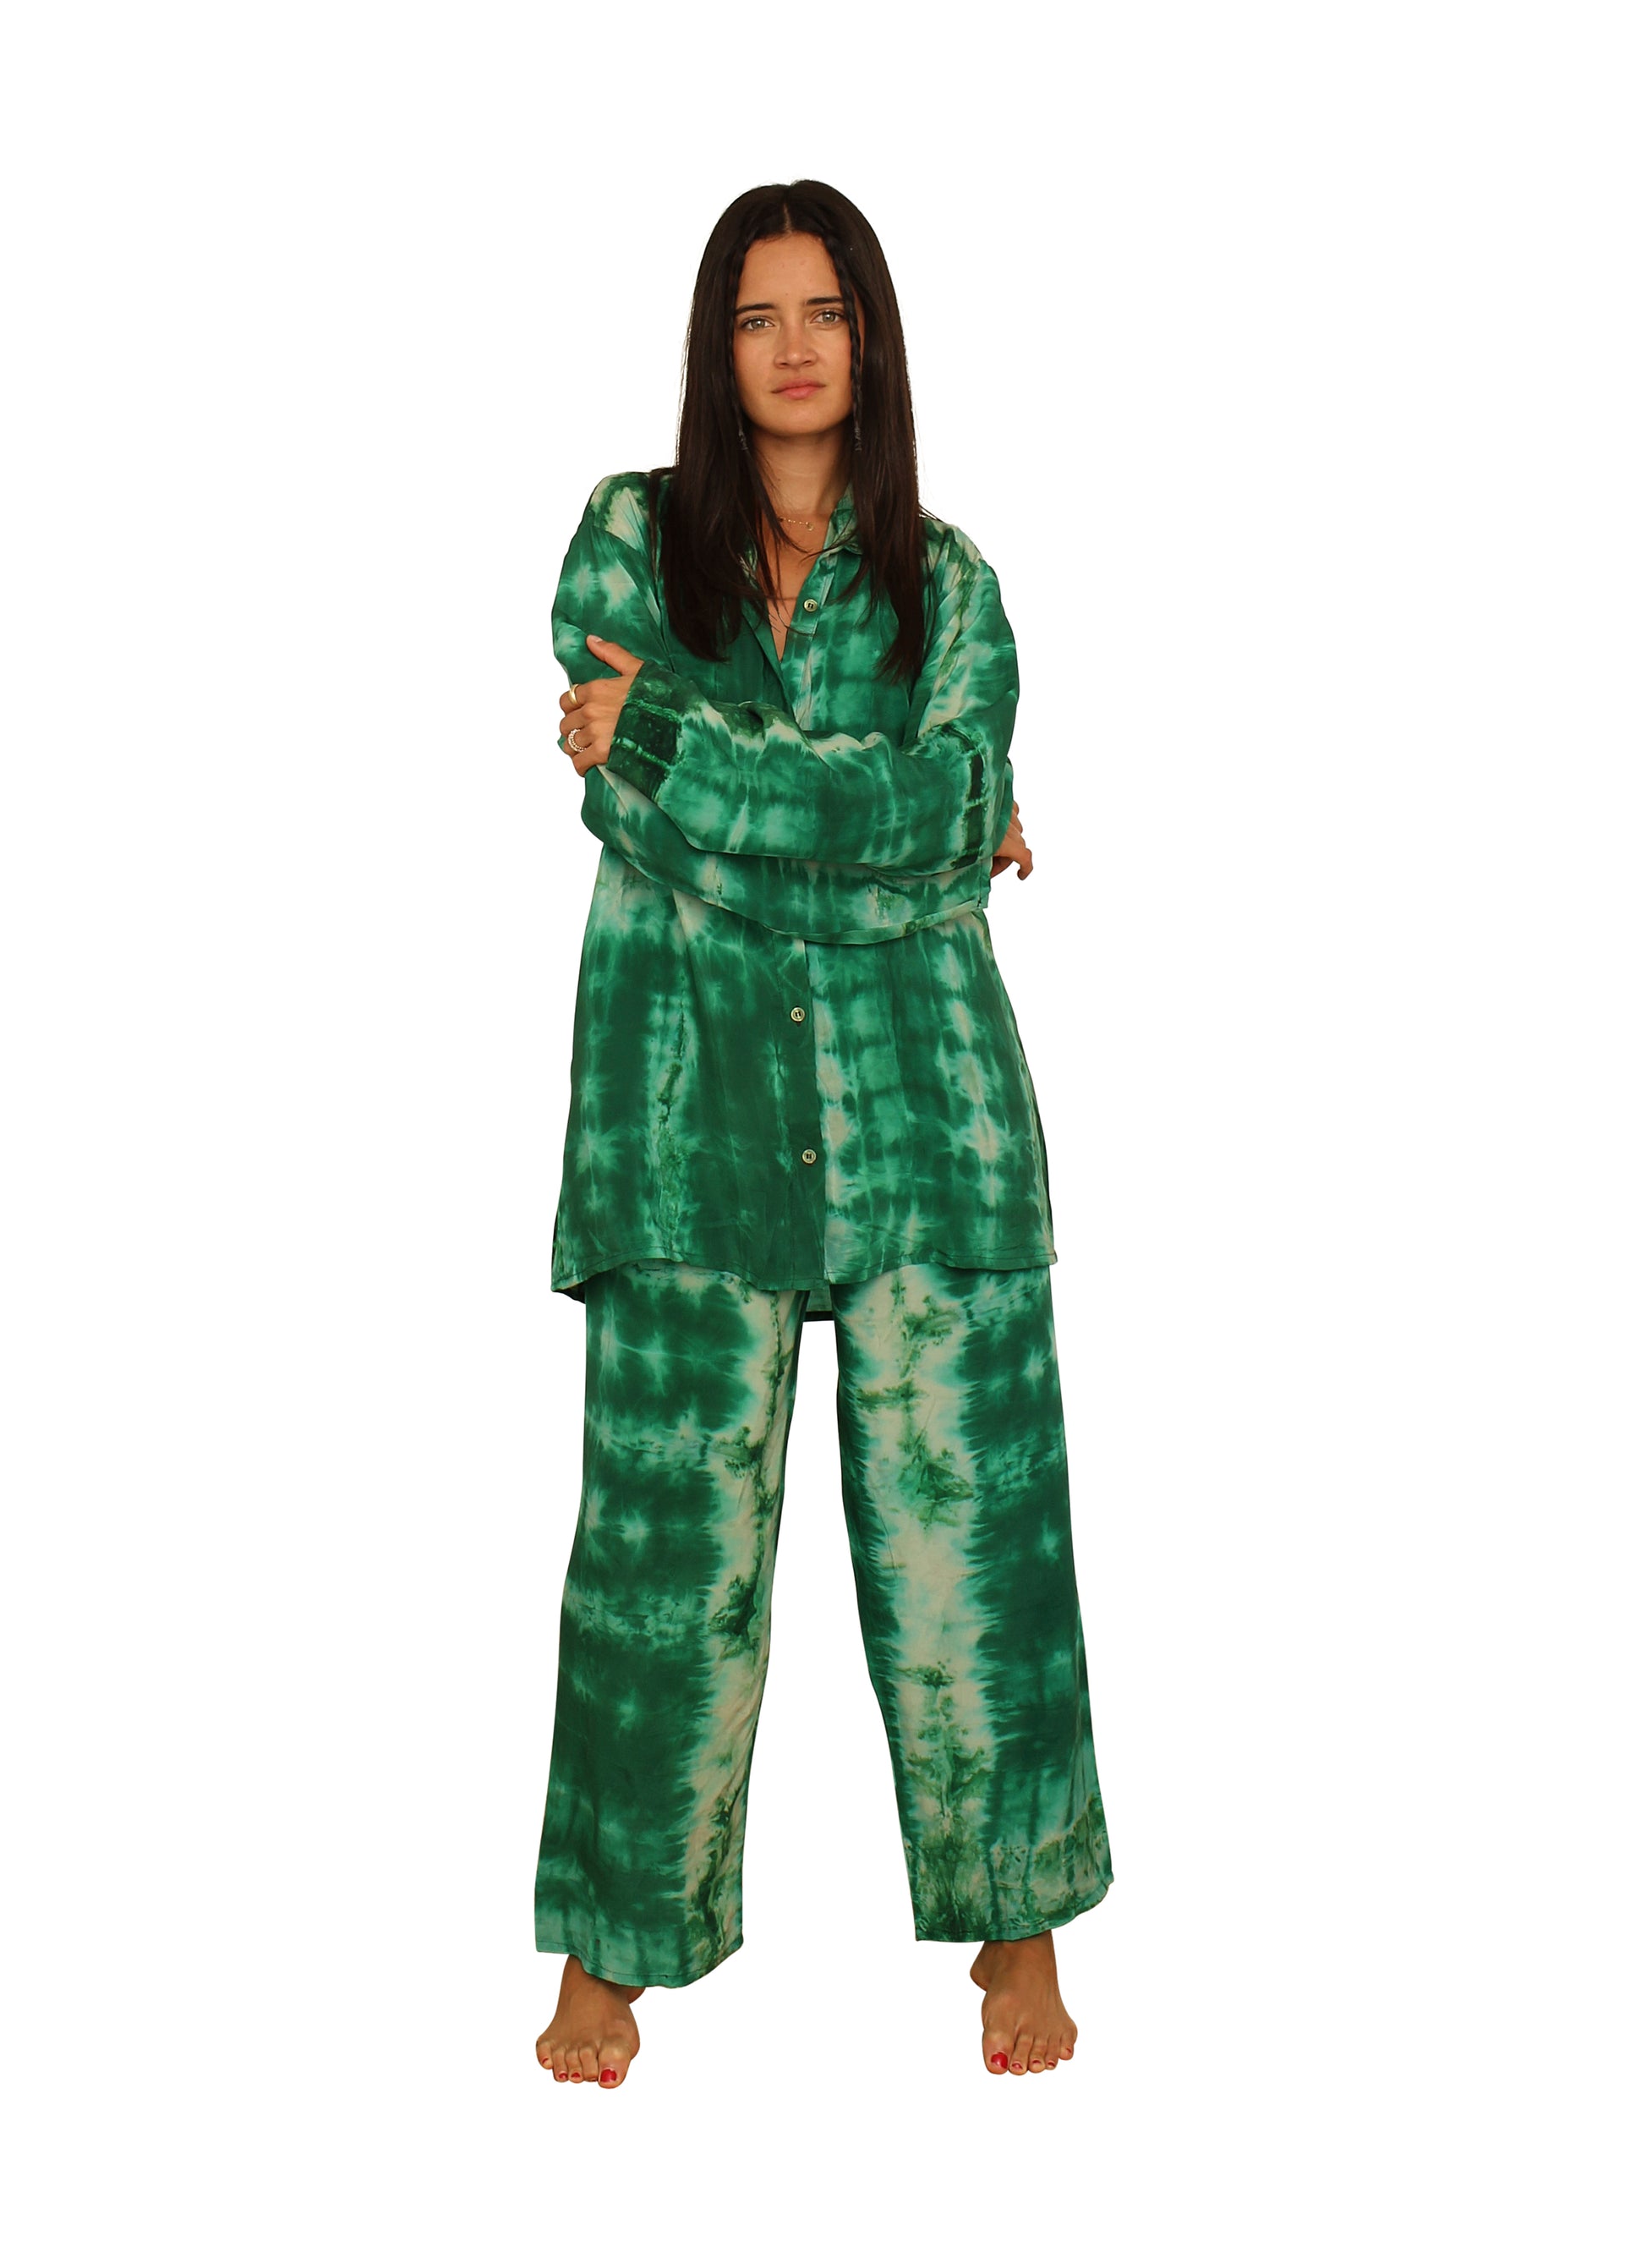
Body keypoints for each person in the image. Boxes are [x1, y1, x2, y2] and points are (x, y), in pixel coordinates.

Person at [533, 179, 1112, 2091]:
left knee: (976, 1558)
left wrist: (677, 756)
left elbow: (943, 807)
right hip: (681, 1115)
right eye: (756, 315)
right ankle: (612, 1949)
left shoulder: (956, 583)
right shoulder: (627, 541)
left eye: (826, 310)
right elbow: (923, 830)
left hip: (928, 1119)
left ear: (872, 335)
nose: (793, 346)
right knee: (661, 1566)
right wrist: (908, 839)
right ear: (717, 349)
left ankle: (1017, 1925)